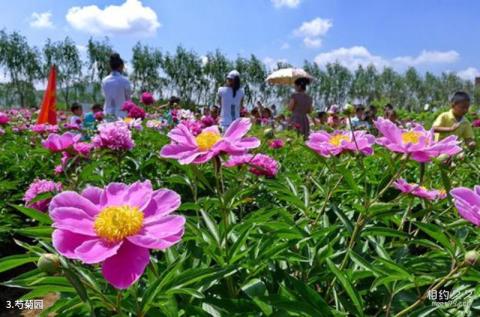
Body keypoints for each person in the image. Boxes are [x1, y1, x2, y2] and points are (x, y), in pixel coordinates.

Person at [102, 53, 132, 119]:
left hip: (108, 114)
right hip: (121, 115)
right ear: (121, 66)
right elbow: (128, 99)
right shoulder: (125, 81)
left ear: (110, 66)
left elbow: (105, 96)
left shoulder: (104, 81)